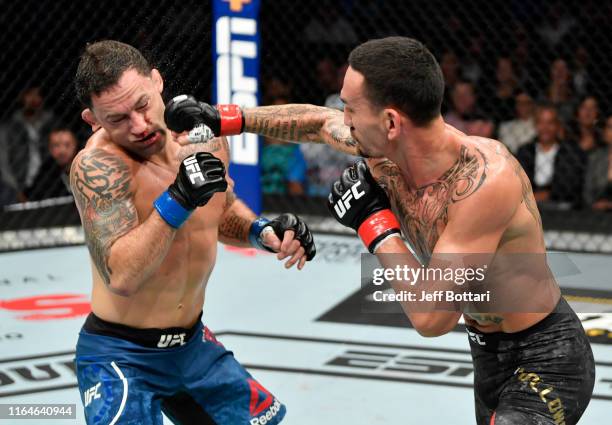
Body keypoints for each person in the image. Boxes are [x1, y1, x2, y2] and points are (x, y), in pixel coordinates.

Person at [166, 37, 595, 425]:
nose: (344, 118)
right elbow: (316, 122)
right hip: (487, 352)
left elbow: (432, 318)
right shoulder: (380, 147)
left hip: (547, 357)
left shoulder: (484, 183)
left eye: (351, 108)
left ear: (391, 122)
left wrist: (374, 224)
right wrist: (225, 118)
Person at [71, 40, 316, 425]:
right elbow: (122, 274)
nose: (139, 126)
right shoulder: (98, 166)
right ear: (93, 120)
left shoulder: (203, 136)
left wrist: (261, 231)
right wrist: (179, 196)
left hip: (191, 344)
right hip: (121, 353)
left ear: (157, 82)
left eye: (141, 105)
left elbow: (220, 211)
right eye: (117, 119)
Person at [25, 127, 79, 200]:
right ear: (50, 148)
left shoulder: (86, 166)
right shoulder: (46, 170)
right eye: (56, 145)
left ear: (75, 145)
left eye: (67, 145)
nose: (62, 151)